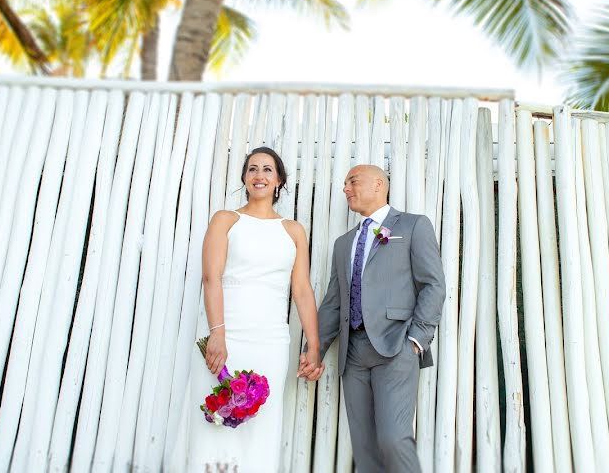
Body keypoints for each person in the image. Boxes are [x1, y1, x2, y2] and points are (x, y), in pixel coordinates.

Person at [299, 164, 445, 473]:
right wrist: (316, 351)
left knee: (393, 438)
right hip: (353, 355)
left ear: (379, 184)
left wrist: (416, 340)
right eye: (344, 183)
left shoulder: (413, 226)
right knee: (365, 449)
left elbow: (433, 284)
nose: (345, 189)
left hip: (396, 347)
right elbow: (333, 304)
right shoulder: (343, 243)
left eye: (352, 181)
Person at [188, 147, 322, 472]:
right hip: (228, 335)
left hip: (271, 341)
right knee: (216, 422)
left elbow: (302, 291)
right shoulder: (226, 220)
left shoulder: (292, 230)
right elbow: (211, 278)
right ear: (245, 178)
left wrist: (314, 346)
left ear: (279, 180)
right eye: (252, 169)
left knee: (261, 426)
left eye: (267, 170)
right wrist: (217, 334)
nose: (259, 175)